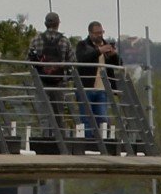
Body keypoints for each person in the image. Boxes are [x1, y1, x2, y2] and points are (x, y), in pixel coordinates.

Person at [26, 12, 75, 146]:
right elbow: (72, 61)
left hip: (41, 81)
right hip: (58, 82)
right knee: (59, 113)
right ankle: (61, 142)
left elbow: (29, 60)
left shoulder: (36, 40)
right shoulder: (65, 41)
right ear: (58, 23)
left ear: (45, 24)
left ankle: (46, 141)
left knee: (44, 114)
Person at [74, 21, 122, 144]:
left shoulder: (106, 46)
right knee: (87, 118)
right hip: (86, 88)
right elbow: (83, 58)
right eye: (97, 33)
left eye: (101, 32)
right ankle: (89, 143)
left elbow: (118, 64)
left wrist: (114, 55)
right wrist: (99, 51)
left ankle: (102, 142)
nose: (100, 35)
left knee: (102, 118)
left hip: (102, 89)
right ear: (90, 33)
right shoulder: (82, 45)